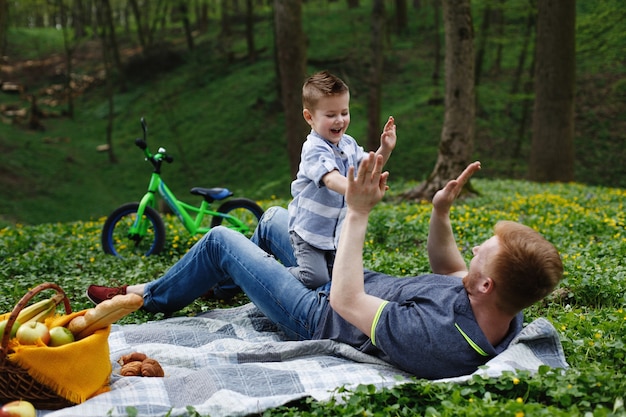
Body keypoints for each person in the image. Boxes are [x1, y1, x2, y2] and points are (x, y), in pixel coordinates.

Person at [87, 155, 563, 379]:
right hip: (341, 286)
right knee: (275, 219)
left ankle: (147, 294)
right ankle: (223, 282)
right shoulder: (500, 303)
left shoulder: (439, 340)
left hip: (319, 312)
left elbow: (345, 300)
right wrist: (440, 212)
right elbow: (449, 270)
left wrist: (356, 212)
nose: (475, 249)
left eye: (484, 250)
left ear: (486, 284)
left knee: (221, 239)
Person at [287, 70, 396, 289]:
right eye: (330, 115)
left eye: (344, 112)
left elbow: (369, 166)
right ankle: (272, 273)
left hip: (334, 233)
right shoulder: (314, 148)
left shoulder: (348, 144)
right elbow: (331, 179)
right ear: (309, 117)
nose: (339, 120)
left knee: (341, 277)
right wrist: (357, 193)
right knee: (315, 279)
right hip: (309, 231)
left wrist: (385, 147)